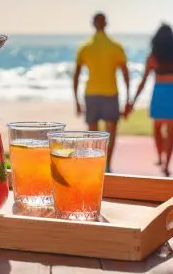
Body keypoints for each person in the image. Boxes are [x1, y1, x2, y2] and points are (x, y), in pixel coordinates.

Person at [73, 12, 130, 172]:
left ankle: (95, 167)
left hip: (91, 94)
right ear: (106, 24)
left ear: (93, 24)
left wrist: (76, 100)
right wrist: (129, 98)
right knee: (110, 133)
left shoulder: (85, 47)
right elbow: (126, 73)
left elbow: (76, 76)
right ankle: (108, 166)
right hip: (111, 94)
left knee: (93, 134)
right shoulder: (115, 46)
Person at [126, 24, 173, 177]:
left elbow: (143, 81)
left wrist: (133, 100)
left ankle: (160, 158)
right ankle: (167, 163)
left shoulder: (152, 58)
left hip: (159, 93)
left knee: (157, 129)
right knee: (171, 132)